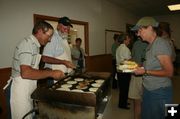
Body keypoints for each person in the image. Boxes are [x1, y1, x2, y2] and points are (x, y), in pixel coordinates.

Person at [9, 21, 70, 119]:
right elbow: (26, 72)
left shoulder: (36, 46)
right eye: (49, 36)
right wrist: (52, 73)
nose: (50, 40)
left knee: (30, 115)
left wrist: (59, 64)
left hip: (28, 87)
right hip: (20, 89)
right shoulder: (27, 44)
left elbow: (39, 63)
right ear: (40, 32)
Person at [132, 17, 174, 119]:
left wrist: (145, 71)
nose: (138, 34)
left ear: (150, 28)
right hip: (149, 90)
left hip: (160, 92)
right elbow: (154, 65)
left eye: (140, 30)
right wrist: (141, 67)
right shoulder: (150, 45)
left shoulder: (160, 43)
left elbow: (169, 72)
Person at [128, 37, 148, 119]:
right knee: (138, 100)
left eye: (140, 31)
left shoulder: (153, 44)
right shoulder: (136, 43)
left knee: (141, 101)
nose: (138, 34)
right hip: (137, 74)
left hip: (146, 75)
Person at [116, 33, 132, 109]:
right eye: (128, 38)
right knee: (124, 88)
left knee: (122, 88)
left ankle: (123, 102)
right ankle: (122, 104)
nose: (129, 40)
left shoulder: (119, 47)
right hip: (124, 70)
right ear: (124, 40)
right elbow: (127, 61)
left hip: (119, 70)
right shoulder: (125, 49)